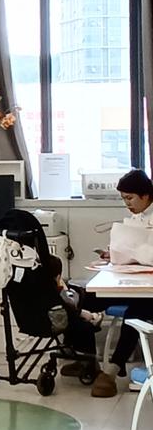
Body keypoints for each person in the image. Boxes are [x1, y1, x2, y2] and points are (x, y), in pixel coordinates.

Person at [75, 169, 153, 397]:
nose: (127, 203)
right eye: (123, 199)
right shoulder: (137, 218)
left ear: (145, 195)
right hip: (132, 279)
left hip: (149, 289)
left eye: (130, 198)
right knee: (82, 298)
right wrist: (114, 254)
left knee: (137, 310)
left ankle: (112, 370)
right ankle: (86, 358)